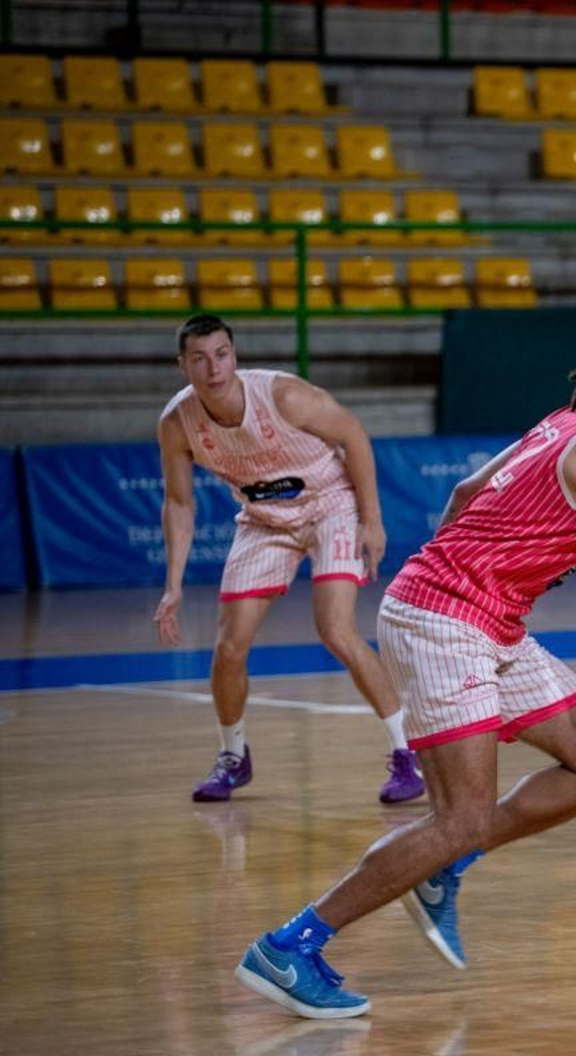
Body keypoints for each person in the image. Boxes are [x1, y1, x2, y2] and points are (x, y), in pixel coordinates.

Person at [234, 287, 576, 1019]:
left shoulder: (574, 419)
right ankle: (291, 945)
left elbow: (465, 492)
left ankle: (443, 866)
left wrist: (471, 567)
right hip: (447, 619)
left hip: (482, 618)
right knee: (458, 816)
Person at [154, 315, 423, 805]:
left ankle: (409, 753)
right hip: (264, 519)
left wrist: (372, 520)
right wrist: (173, 584)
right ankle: (233, 757)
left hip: (331, 504)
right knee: (229, 646)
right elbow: (178, 503)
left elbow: (354, 434)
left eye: (221, 355)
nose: (213, 368)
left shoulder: (284, 396)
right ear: (182, 366)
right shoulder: (177, 423)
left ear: (234, 355)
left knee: (336, 629)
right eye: (200, 359)